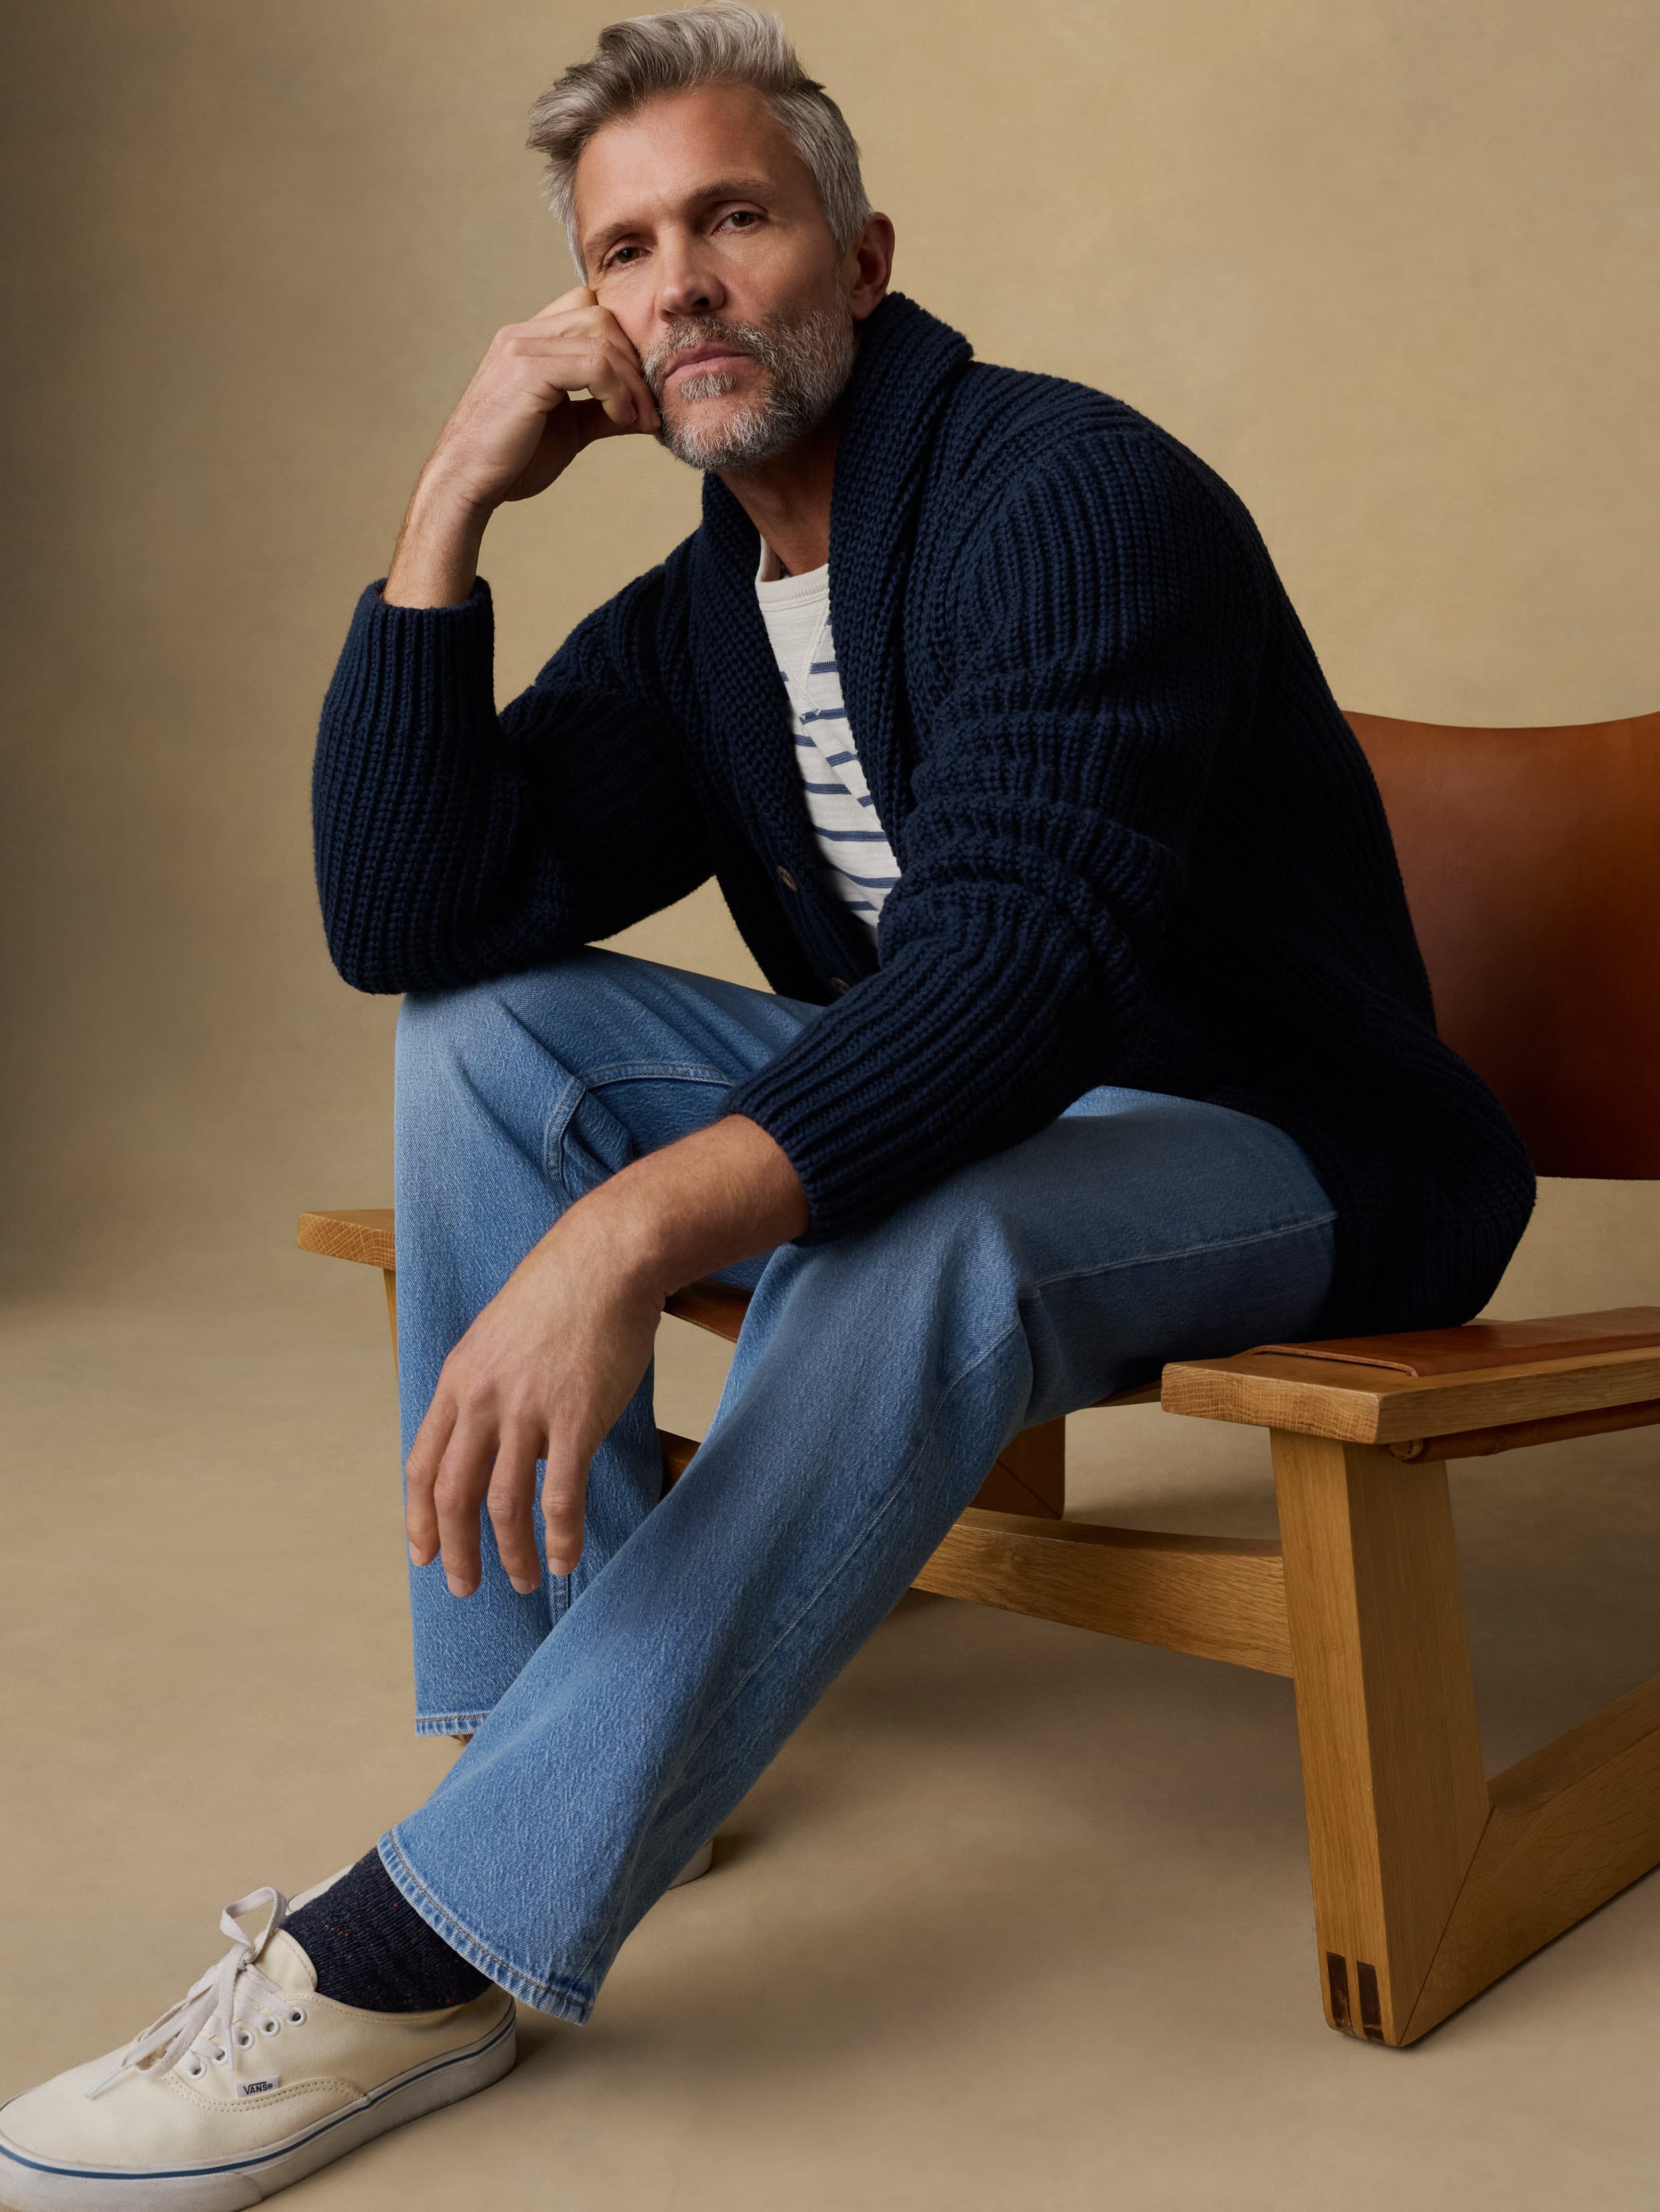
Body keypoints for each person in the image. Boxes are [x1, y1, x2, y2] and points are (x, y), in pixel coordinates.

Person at [1, 5, 1536, 2204]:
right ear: (596, 328)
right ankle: (567, 1747)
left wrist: (630, 1235)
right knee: (482, 1033)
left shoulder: (1067, 494)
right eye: (626, 251)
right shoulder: (707, 612)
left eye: (735, 215)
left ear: (861, 255)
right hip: (1001, 1116)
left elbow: (1021, 964)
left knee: (949, 1224)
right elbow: (411, 913)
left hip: (1296, 1141)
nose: (684, 280)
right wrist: (450, 497)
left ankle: (430, 1947)